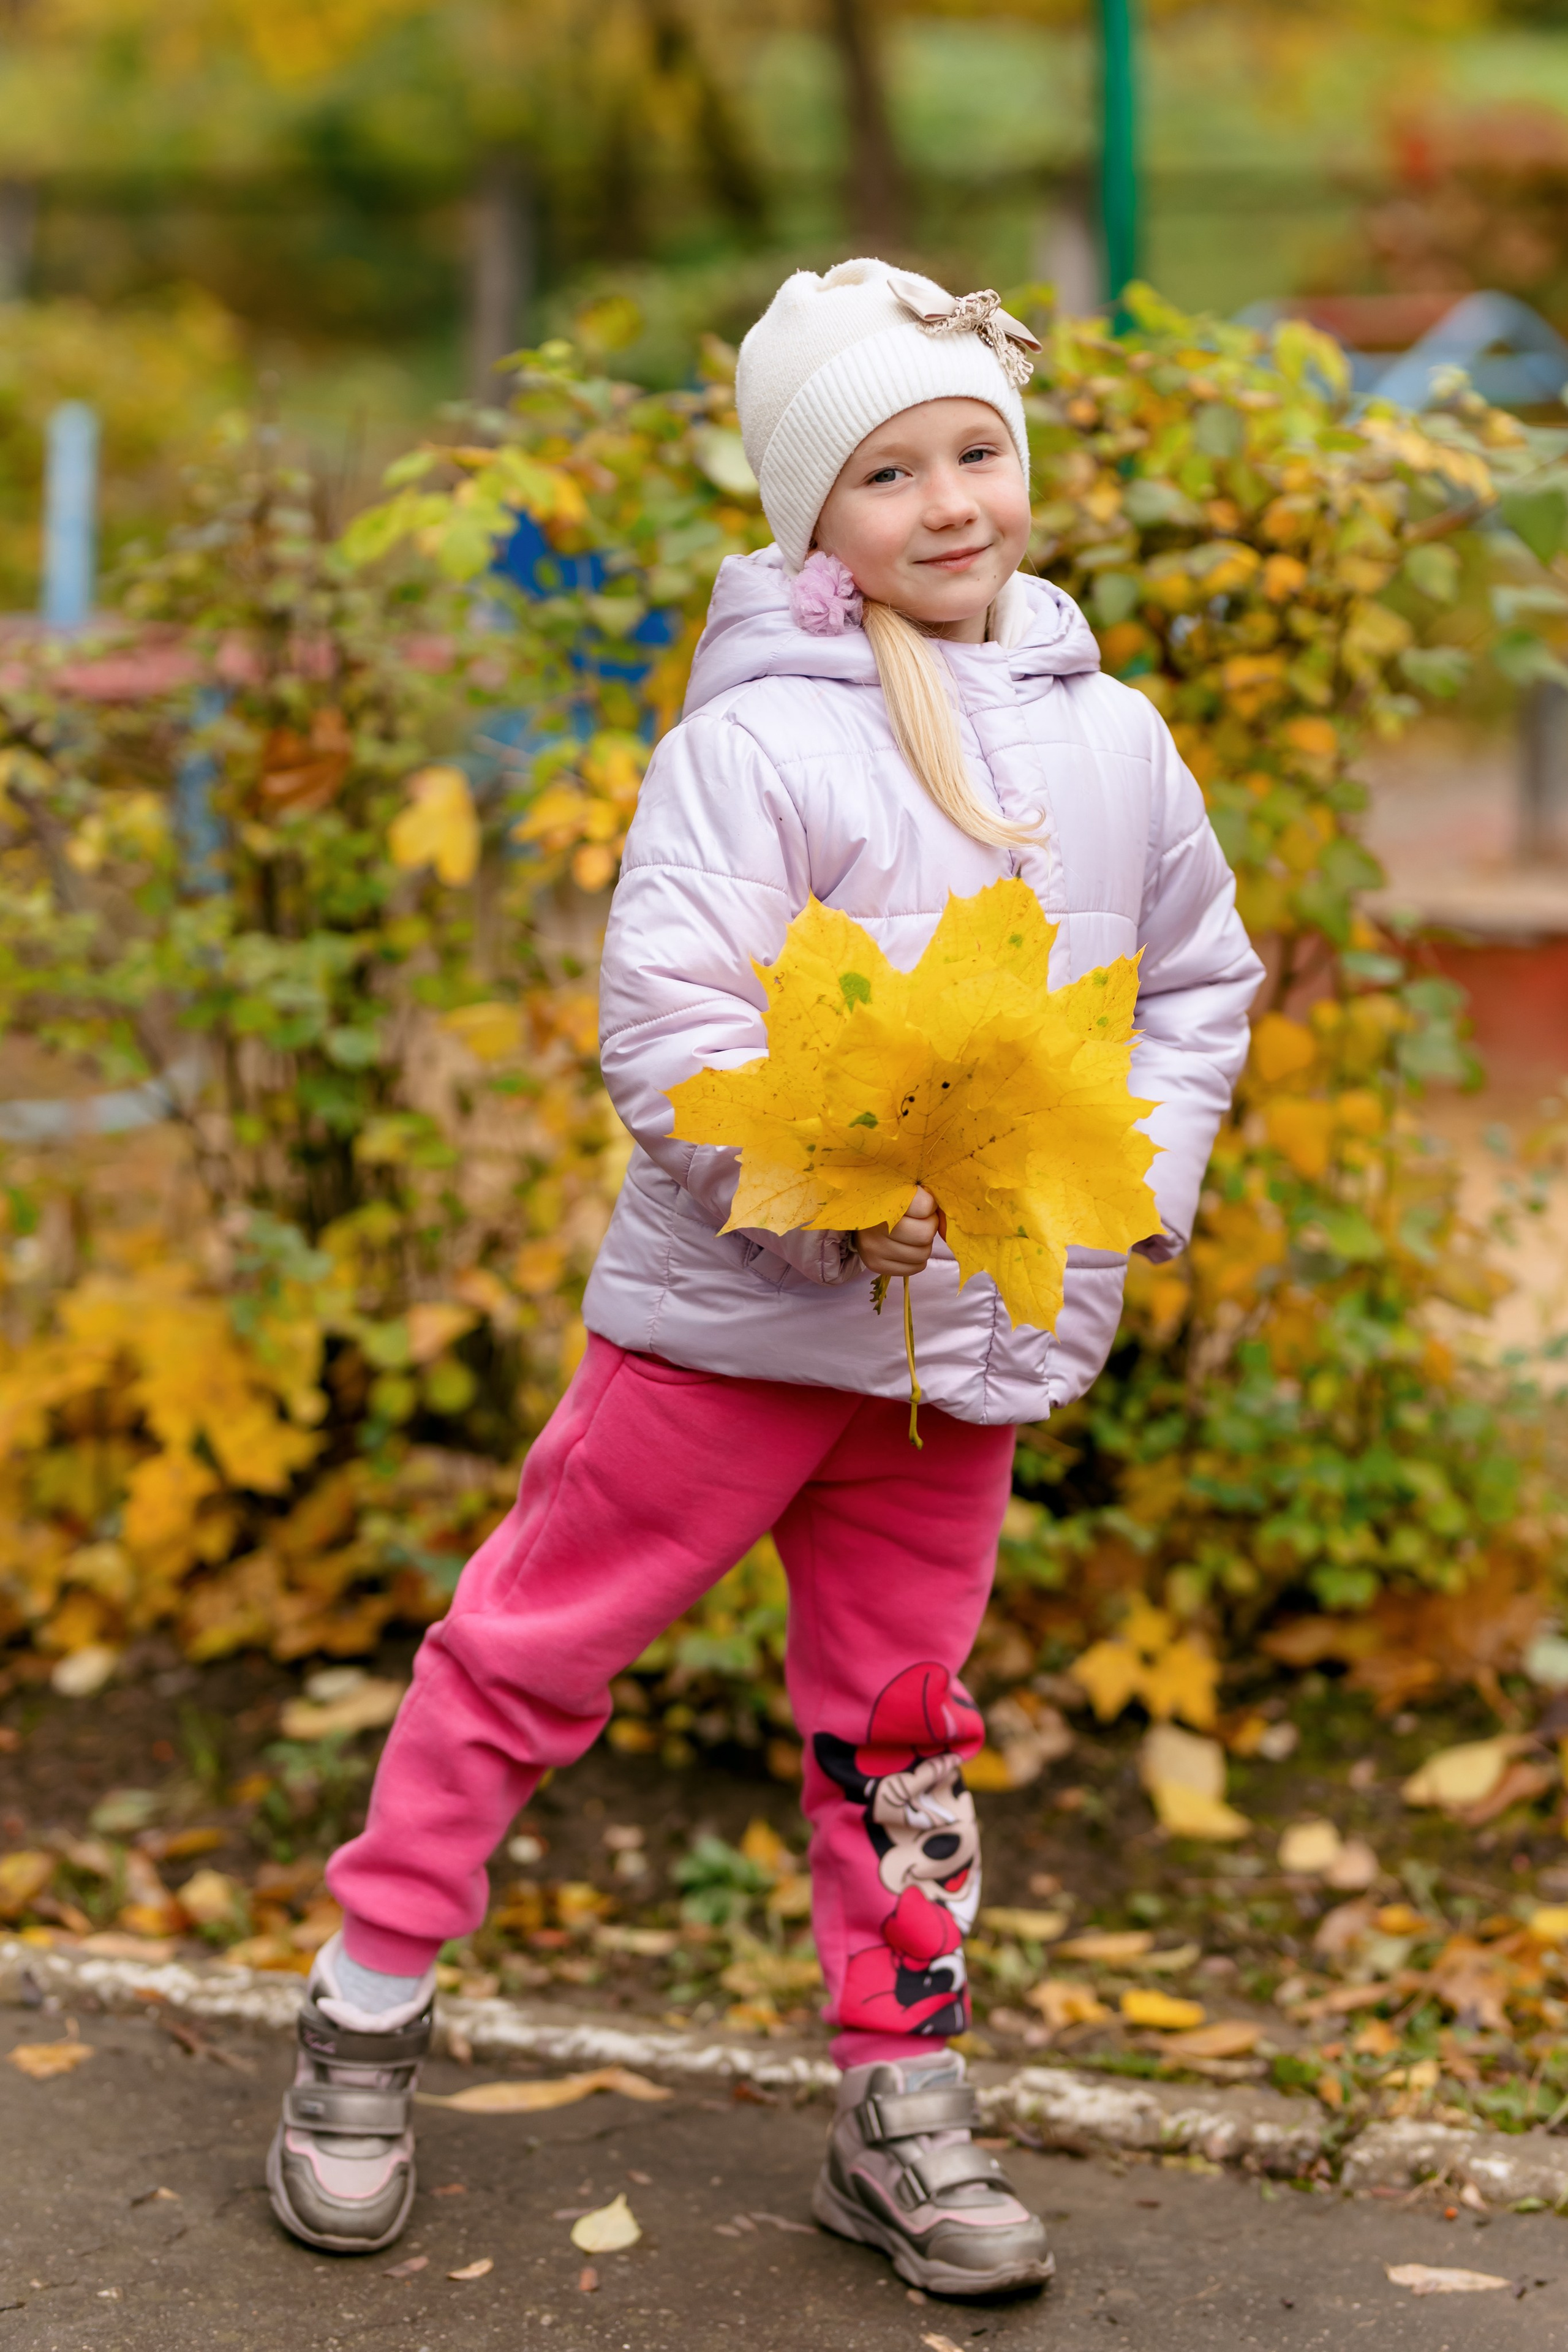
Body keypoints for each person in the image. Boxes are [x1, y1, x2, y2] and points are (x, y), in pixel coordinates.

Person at [266, 257, 1263, 2297]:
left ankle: (901, 2101)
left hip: (958, 1354)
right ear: (815, 517)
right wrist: (811, 1204)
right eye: (889, 473)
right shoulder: (757, 748)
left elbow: (1194, 987)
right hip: (726, 1341)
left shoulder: (1116, 738)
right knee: (529, 1656)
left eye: (976, 450)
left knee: (901, 1732)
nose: (951, 501)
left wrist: (1121, 1185)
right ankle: (363, 2014)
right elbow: (668, 1022)